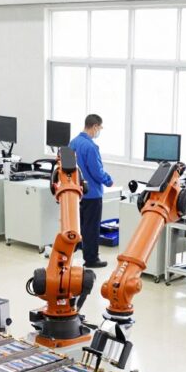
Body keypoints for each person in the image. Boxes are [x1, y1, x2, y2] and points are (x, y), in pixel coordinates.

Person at [68, 114, 114, 268]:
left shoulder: (72, 143)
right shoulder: (91, 147)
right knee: (91, 228)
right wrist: (108, 180)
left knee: (79, 224)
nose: (99, 131)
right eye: (99, 128)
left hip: (76, 192)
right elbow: (96, 171)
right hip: (92, 193)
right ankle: (91, 259)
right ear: (94, 126)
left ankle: (76, 248)